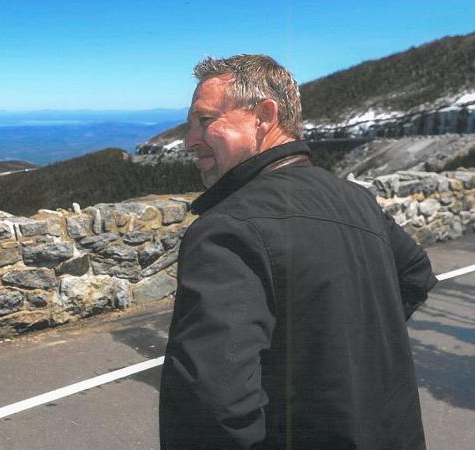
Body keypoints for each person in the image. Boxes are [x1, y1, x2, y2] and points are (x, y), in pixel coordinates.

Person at [158, 55, 437, 449]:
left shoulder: (226, 229)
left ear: (263, 116)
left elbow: (211, 404)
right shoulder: (357, 200)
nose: (190, 139)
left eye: (205, 121)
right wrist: (346, 353)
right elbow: (415, 276)